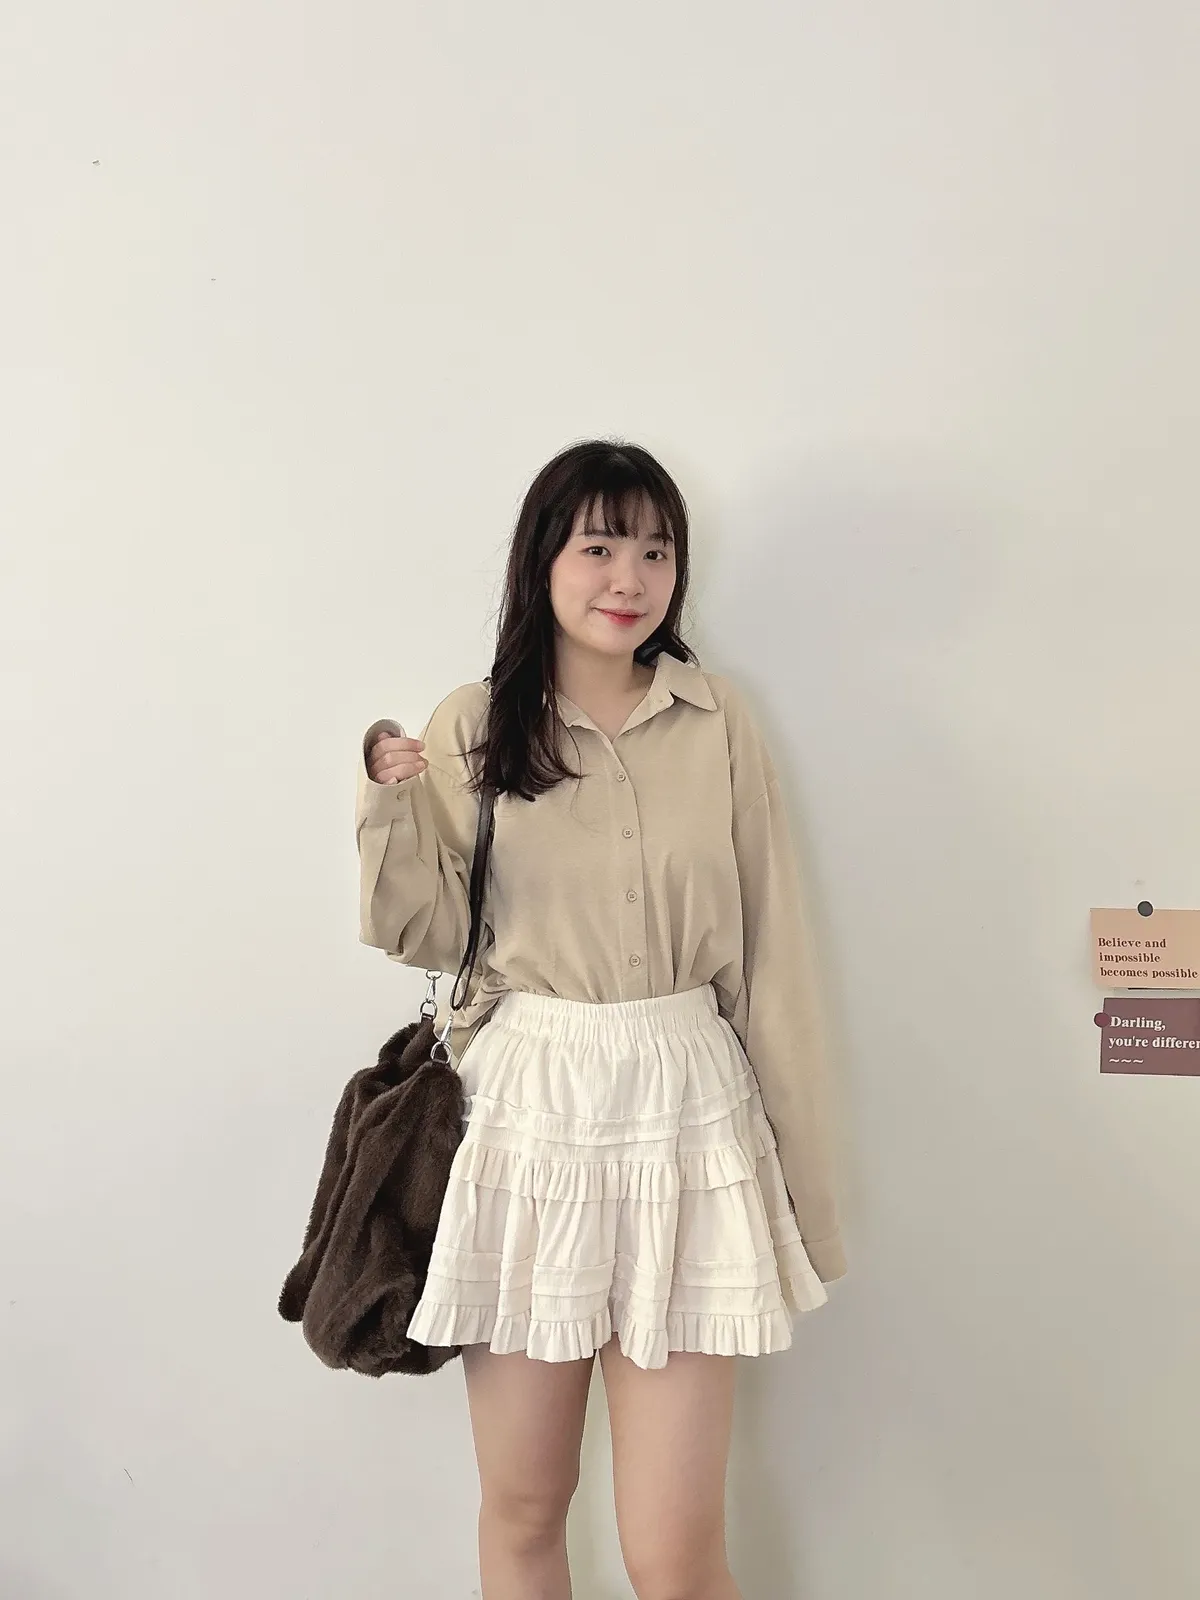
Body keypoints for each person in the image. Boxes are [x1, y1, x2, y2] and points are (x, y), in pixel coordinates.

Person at [354, 439, 847, 1600]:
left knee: (676, 1552)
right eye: (600, 546)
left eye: (656, 551)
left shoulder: (718, 721)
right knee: (527, 1508)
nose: (630, 577)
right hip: (530, 1112)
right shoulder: (476, 723)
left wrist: (805, 1193)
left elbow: (774, 961)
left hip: (688, 1110)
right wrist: (387, 801)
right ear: (543, 561)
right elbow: (422, 931)